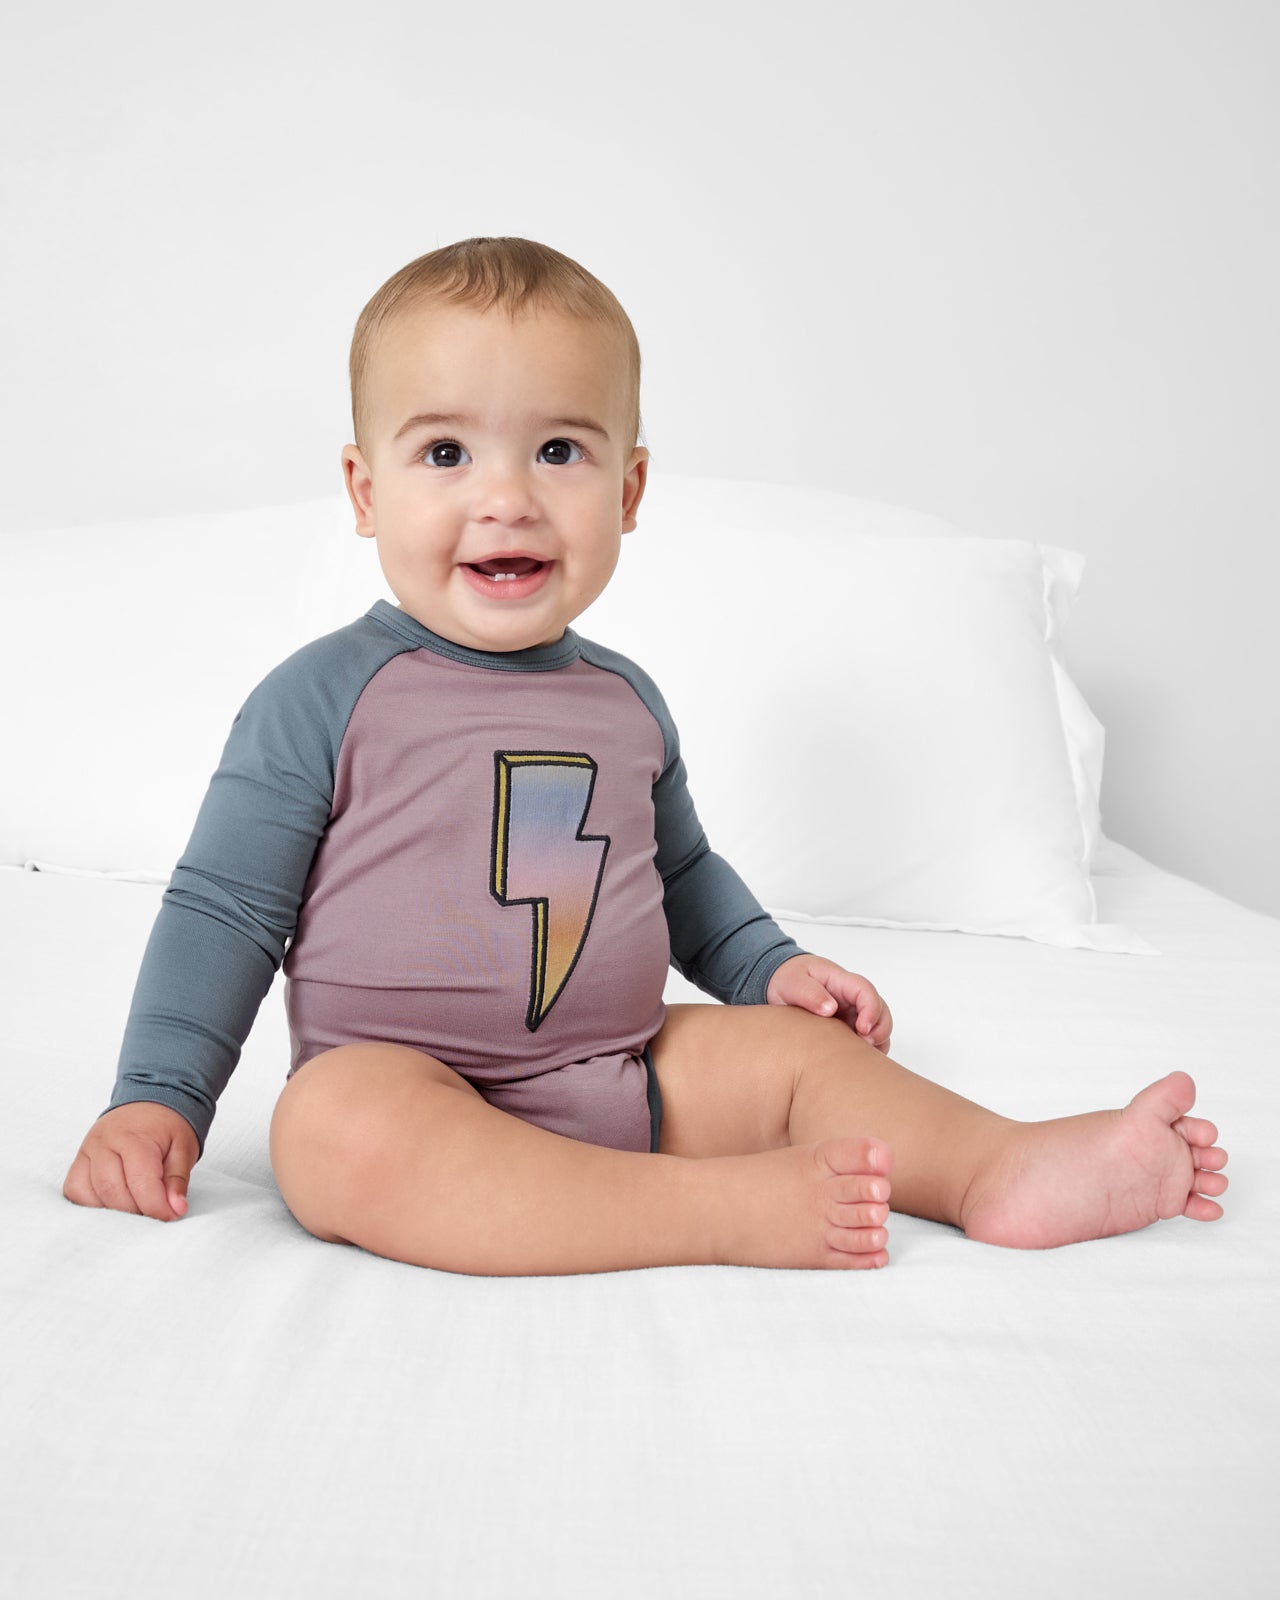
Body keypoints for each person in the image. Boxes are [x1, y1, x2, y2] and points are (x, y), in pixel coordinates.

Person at [62, 237, 1229, 1275]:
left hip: (617, 1070)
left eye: (558, 449)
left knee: (788, 1060)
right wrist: (158, 1097)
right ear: (365, 493)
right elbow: (221, 909)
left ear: (627, 490)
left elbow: (680, 879)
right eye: (445, 455)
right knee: (327, 1126)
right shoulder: (320, 698)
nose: (506, 498)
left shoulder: (623, 701)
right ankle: (710, 1212)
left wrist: (766, 967)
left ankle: (996, 1167)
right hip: (413, 1086)